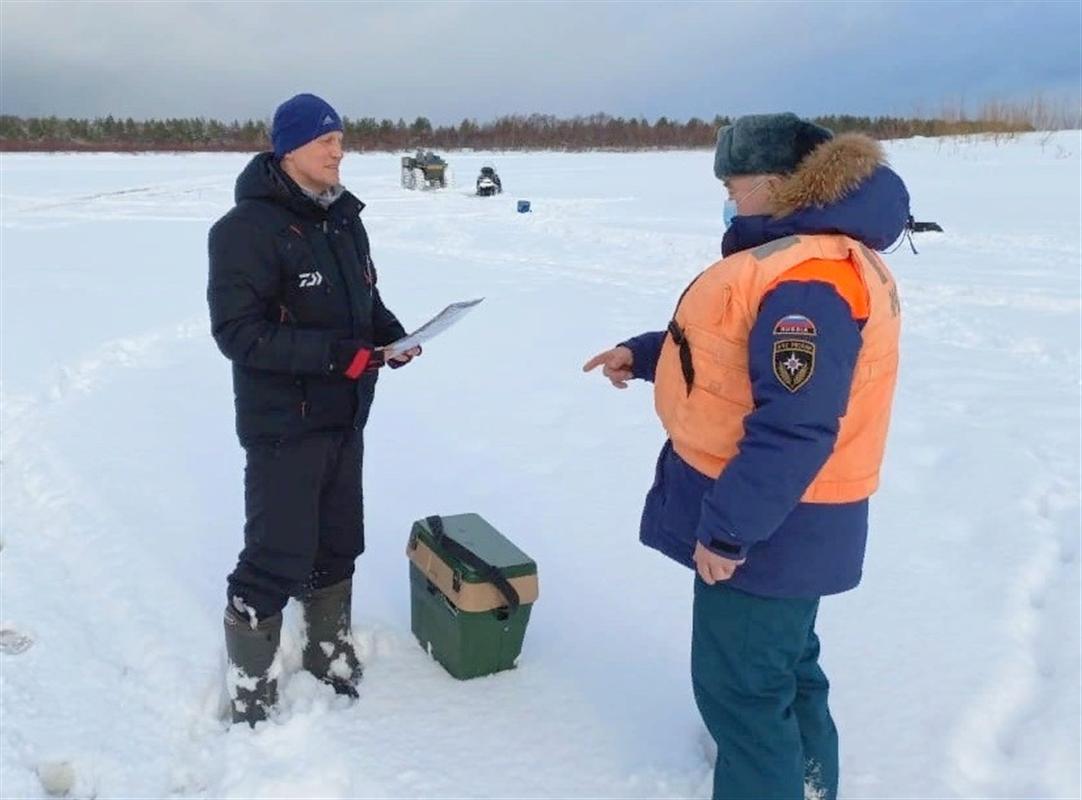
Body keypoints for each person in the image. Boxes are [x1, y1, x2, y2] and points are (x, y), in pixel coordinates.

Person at [583, 113, 909, 799]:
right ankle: (810, 784)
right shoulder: (795, 261)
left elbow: (795, 425)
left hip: (771, 526)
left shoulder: (810, 282)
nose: (727, 197)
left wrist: (730, 530)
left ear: (771, 184)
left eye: (731, 183)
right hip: (784, 520)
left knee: (743, 692)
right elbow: (731, 353)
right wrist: (644, 355)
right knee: (786, 666)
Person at [207, 93, 420, 726]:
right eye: (326, 141)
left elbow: (365, 304)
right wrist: (337, 355)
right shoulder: (243, 231)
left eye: (341, 140)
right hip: (283, 423)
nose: (339, 151)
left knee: (338, 540)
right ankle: (251, 686)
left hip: (345, 413)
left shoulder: (343, 220)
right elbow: (237, 334)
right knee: (276, 552)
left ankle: (327, 650)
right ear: (288, 149)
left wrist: (393, 337)